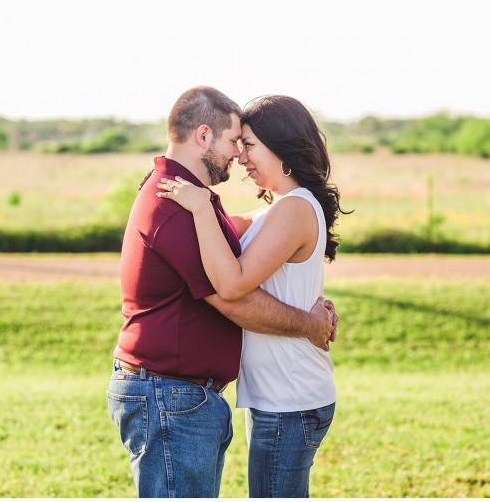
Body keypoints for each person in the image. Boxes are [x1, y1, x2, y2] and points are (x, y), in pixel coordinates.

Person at [107, 86, 338, 498]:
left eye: (249, 145)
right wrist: (309, 323)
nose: (239, 155)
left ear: (281, 148)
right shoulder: (180, 200)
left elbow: (231, 259)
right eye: (237, 142)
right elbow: (231, 287)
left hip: (282, 395)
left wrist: (200, 206)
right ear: (203, 136)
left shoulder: (273, 206)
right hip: (185, 396)